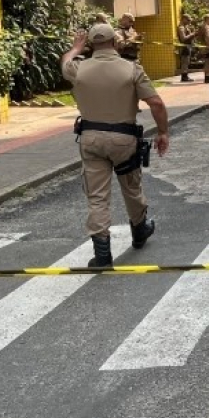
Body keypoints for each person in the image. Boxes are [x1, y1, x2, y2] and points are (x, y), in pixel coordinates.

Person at [60, 23, 170, 267]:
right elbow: (156, 103)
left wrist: (75, 48)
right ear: (116, 42)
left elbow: (65, 62)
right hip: (124, 139)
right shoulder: (131, 69)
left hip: (91, 139)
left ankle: (102, 254)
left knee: (97, 197)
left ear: (90, 44)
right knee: (131, 186)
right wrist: (162, 132)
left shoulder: (78, 68)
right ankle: (139, 230)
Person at [176, 14, 196, 83]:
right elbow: (183, 38)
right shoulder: (181, 27)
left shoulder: (185, 26)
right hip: (184, 47)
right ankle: (184, 77)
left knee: (187, 62)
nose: (189, 22)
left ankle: (186, 76)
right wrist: (191, 34)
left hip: (187, 46)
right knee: (184, 62)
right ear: (184, 19)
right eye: (188, 20)